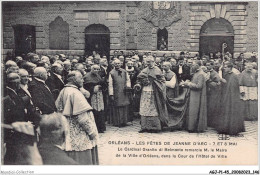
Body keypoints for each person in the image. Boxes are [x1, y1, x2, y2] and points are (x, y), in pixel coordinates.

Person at [55, 71, 99, 165]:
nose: (83, 80)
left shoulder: (64, 90)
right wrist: (92, 132)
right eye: (81, 78)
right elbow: (82, 118)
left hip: (68, 129)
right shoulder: (75, 93)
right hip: (79, 132)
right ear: (74, 79)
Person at [135, 56, 168, 133]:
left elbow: (162, 81)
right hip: (145, 91)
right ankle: (144, 127)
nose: (148, 63)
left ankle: (155, 127)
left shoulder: (158, 70)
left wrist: (154, 81)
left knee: (154, 108)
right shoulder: (144, 70)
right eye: (147, 62)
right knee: (144, 108)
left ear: (153, 62)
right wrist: (140, 83)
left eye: (149, 62)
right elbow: (139, 80)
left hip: (154, 92)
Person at [217, 62, 245, 135]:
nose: (225, 68)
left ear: (230, 68)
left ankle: (232, 129)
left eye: (226, 67)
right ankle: (224, 128)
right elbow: (224, 84)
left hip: (232, 98)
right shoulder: (226, 75)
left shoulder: (234, 76)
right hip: (226, 97)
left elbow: (233, 88)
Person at [181, 63, 207, 133]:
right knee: (192, 111)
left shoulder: (200, 74)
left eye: (192, 66)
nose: (191, 67)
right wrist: (187, 83)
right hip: (193, 94)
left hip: (197, 96)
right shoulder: (196, 73)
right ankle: (190, 127)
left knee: (194, 111)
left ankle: (193, 127)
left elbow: (199, 86)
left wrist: (188, 84)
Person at [108, 59, 131, 127]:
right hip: (116, 91)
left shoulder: (124, 71)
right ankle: (118, 122)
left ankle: (124, 121)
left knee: (125, 105)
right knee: (118, 106)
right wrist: (111, 94)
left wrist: (128, 87)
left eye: (118, 63)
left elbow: (128, 80)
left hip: (124, 91)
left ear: (121, 64)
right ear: (113, 64)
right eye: (116, 64)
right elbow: (110, 84)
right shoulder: (111, 73)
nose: (117, 65)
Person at [84, 65, 106, 133]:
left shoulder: (98, 75)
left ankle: (100, 128)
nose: (96, 70)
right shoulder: (87, 76)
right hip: (92, 96)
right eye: (95, 69)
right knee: (94, 111)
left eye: (98, 69)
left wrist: (101, 87)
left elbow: (102, 83)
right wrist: (93, 89)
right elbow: (85, 87)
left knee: (100, 110)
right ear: (91, 69)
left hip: (99, 95)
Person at [205, 62, 222, 128]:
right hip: (207, 93)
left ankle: (212, 123)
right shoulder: (206, 72)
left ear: (212, 66)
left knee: (212, 107)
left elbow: (217, 84)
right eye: (206, 65)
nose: (207, 66)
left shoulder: (215, 74)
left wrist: (209, 81)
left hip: (213, 93)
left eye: (208, 65)